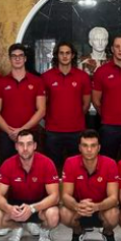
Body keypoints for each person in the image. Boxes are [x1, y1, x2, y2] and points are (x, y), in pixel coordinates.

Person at [0, 130, 59, 241]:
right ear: (16, 146)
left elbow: (55, 196)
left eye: (29, 144)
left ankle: (44, 230)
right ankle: (17, 228)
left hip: (39, 206)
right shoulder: (7, 164)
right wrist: (8, 208)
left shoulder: (47, 163)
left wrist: (32, 208)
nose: (25, 148)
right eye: (21, 144)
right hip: (15, 207)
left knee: (53, 215)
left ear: (35, 146)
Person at [59, 129, 120, 241]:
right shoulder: (70, 162)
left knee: (114, 214)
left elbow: (114, 198)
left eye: (93, 145)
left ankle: (108, 233)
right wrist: (77, 206)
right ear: (79, 147)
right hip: (79, 209)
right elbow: (65, 195)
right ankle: (77, 232)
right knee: (64, 213)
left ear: (99, 147)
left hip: (102, 209)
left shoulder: (110, 163)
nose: (89, 149)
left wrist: (97, 206)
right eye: (85, 145)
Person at [41, 42, 91, 171]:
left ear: (72, 55)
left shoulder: (83, 77)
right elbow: (42, 104)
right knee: (52, 168)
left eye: (68, 53)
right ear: (57, 55)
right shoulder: (46, 77)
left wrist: (75, 116)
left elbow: (86, 104)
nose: (64, 56)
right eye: (61, 53)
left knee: (76, 168)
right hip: (53, 131)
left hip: (76, 131)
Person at [0, 43, 46, 162]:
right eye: (14, 56)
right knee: (7, 167)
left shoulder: (37, 81)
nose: (17, 59)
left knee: (30, 167)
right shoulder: (0, 83)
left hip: (30, 133)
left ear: (25, 58)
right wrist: (10, 132)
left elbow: (41, 110)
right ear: (10, 59)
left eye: (20, 56)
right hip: (7, 135)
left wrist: (22, 130)